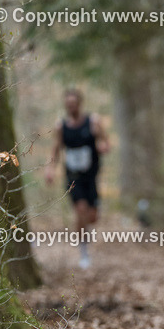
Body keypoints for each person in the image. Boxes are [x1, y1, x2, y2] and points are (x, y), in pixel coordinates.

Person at [45, 88, 109, 269]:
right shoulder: (61, 127)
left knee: (92, 217)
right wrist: (50, 169)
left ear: (80, 103)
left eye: (73, 104)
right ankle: (84, 251)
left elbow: (106, 142)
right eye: (68, 104)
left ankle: (85, 232)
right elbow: (55, 150)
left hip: (91, 176)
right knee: (80, 210)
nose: (71, 107)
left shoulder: (93, 122)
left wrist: (103, 146)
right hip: (73, 177)